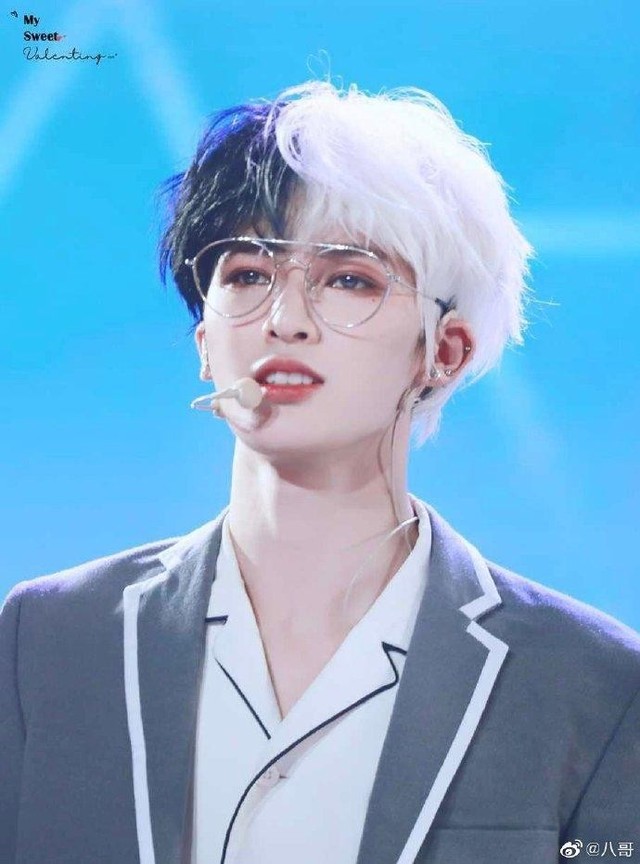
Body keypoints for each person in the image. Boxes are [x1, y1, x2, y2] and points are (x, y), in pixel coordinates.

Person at [1, 81, 639, 864]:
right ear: (205, 343)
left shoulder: (593, 681)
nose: (284, 320)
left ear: (444, 351)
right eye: (247, 273)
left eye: (349, 279)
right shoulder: (49, 638)